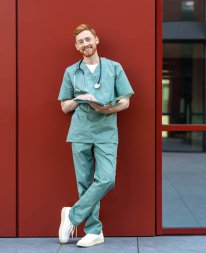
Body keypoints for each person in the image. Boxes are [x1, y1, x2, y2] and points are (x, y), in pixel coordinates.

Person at [57, 24, 134, 247]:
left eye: (88, 39)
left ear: (96, 40)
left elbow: (125, 100)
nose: (85, 44)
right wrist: (80, 99)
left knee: (107, 179)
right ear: (76, 46)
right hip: (80, 132)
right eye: (81, 41)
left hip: (106, 132)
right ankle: (94, 231)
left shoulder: (114, 68)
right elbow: (64, 106)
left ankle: (72, 215)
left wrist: (109, 109)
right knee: (83, 182)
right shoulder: (71, 71)